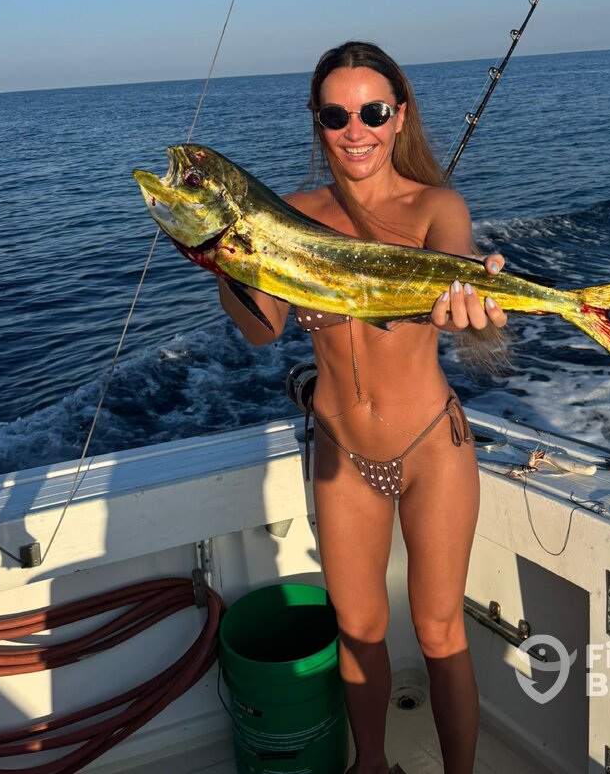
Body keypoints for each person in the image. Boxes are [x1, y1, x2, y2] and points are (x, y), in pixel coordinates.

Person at [218, 41, 507, 774]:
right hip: (341, 452)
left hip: (431, 447)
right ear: (315, 119)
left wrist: (471, 302)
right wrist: (225, 258)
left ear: (399, 115)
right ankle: (370, 765)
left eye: (373, 112)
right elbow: (262, 330)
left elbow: (460, 279)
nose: (357, 131)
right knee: (358, 630)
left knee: (440, 633)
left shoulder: (437, 206)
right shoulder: (291, 216)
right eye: (336, 115)